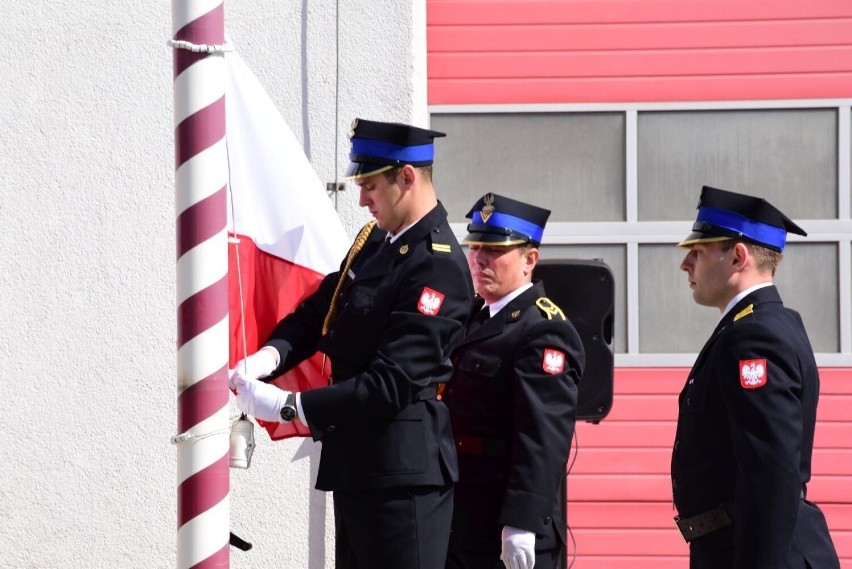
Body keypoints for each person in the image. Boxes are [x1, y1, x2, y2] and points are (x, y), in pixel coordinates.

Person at [230, 118, 474, 569]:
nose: (361, 199)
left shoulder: (436, 266)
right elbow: (317, 311)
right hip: (359, 467)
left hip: (404, 480)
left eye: (370, 186)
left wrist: (289, 407)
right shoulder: (376, 242)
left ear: (406, 177)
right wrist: (268, 356)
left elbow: (391, 383)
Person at [671, 185, 840, 568]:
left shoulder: (753, 336)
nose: (685, 265)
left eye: (696, 253)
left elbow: (772, 472)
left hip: (757, 552)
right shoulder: (764, 324)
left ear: (738, 257)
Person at [442, 193, 585, 569]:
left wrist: (520, 521)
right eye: (475, 248)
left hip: (505, 522)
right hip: (461, 517)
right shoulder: (476, 317)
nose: (479, 259)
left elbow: (541, 437)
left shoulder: (543, 330)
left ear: (529, 259)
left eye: (494, 250)